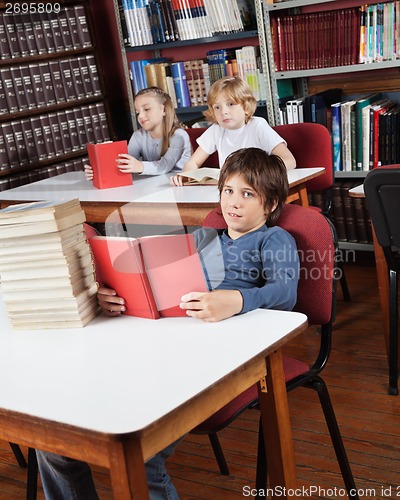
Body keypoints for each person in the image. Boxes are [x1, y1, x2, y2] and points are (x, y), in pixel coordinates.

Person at [36, 148, 300, 499]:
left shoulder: (272, 239)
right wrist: (113, 295)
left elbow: (286, 291)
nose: (233, 202)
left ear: (269, 205)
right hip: (161, 345)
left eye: (248, 194)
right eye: (228, 191)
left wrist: (236, 300)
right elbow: (157, 285)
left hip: (220, 355)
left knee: (142, 459)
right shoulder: (202, 238)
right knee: (54, 443)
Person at [170, 76, 296, 186]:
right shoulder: (216, 130)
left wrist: (260, 174)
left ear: (245, 106)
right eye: (217, 107)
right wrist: (187, 175)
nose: (223, 112)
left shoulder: (258, 125)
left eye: (230, 104)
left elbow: (289, 160)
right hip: (229, 191)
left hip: (256, 188)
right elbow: (193, 163)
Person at [85, 87, 192, 180]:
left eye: (146, 109)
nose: (140, 116)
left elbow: (165, 166)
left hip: (177, 186)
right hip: (152, 186)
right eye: (137, 112)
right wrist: (100, 168)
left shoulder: (179, 136)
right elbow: (126, 162)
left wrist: (140, 166)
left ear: (163, 109)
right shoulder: (138, 135)